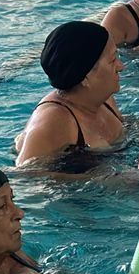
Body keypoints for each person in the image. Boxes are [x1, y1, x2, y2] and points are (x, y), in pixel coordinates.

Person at [15, 21, 125, 167]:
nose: (121, 66)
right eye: (112, 60)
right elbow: (26, 174)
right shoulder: (54, 121)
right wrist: (103, 178)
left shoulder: (103, 99)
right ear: (86, 76)